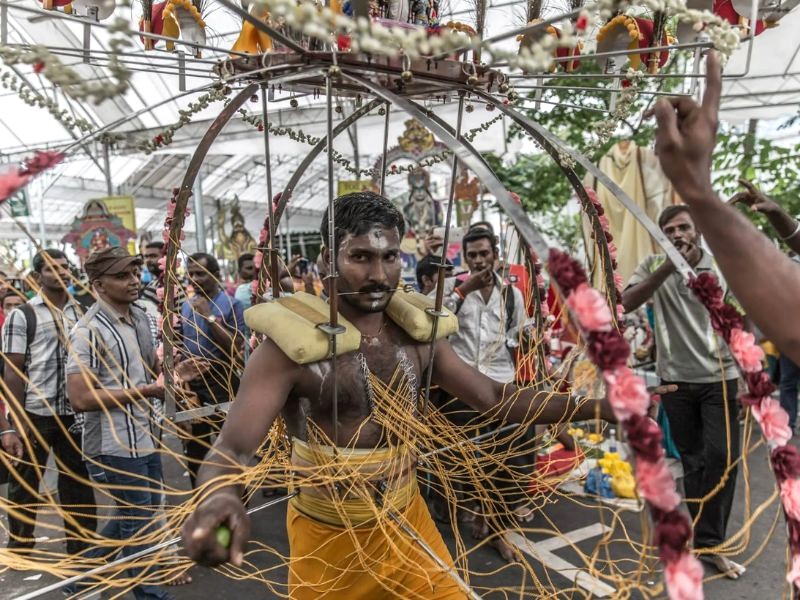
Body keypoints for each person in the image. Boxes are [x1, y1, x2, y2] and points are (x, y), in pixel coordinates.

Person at [181, 191, 615, 599]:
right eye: (360, 258)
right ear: (327, 259)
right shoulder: (288, 351)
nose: (378, 275)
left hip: (410, 523)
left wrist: (597, 407)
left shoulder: (416, 335)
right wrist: (219, 497)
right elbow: (233, 449)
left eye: (389, 257)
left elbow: (491, 396)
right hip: (328, 542)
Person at [65, 247, 204, 600]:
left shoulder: (141, 317)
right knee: (139, 525)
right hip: (112, 445)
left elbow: (148, 376)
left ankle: (81, 580)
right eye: (122, 276)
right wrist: (147, 391)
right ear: (98, 284)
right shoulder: (87, 331)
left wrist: (173, 376)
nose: (133, 281)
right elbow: (80, 398)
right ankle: (151, 595)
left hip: (144, 435)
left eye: (135, 273)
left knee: (132, 517)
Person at [622, 204, 744, 578]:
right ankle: (707, 543)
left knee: (722, 459)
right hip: (675, 383)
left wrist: (747, 378)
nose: (676, 235)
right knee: (691, 460)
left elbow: (740, 321)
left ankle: (711, 539)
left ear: (698, 232)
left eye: (683, 228)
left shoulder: (720, 266)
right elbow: (624, 302)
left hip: (720, 379)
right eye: (668, 231)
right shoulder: (651, 267)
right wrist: (668, 268)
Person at [436, 227, 533, 561]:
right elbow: (436, 325)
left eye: (483, 253)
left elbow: (519, 338)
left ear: (495, 254)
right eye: (472, 255)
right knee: (461, 458)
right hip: (460, 385)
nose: (478, 260)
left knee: (505, 460)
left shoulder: (511, 296)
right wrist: (464, 291)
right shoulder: (452, 287)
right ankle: (467, 509)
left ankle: (495, 526)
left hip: (500, 386)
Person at [0, 249, 96, 558]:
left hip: (75, 414)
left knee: (77, 482)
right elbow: (12, 372)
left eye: (65, 267)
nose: (61, 273)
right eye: (52, 268)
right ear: (38, 276)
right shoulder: (23, 314)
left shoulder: (81, 312)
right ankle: (20, 546)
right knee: (26, 484)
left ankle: (81, 547)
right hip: (36, 414)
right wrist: (16, 421)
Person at [180, 253, 245, 487]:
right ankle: (201, 506)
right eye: (191, 273)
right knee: (195, 449)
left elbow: (234, 347)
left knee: (226, 449)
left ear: (216, 275)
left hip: (222, 382)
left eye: (200, 273)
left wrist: (208, 317)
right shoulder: (186, 305)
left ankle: (236, 503)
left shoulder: (231, 304)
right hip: (194, 385)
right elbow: (182, 342)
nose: (194, 279)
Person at [140, 241, 185, 320]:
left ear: (165, 257)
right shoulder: (156, 281)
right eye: (146, 257)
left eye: (153, 256)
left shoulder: (170, 282)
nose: (148, 260)